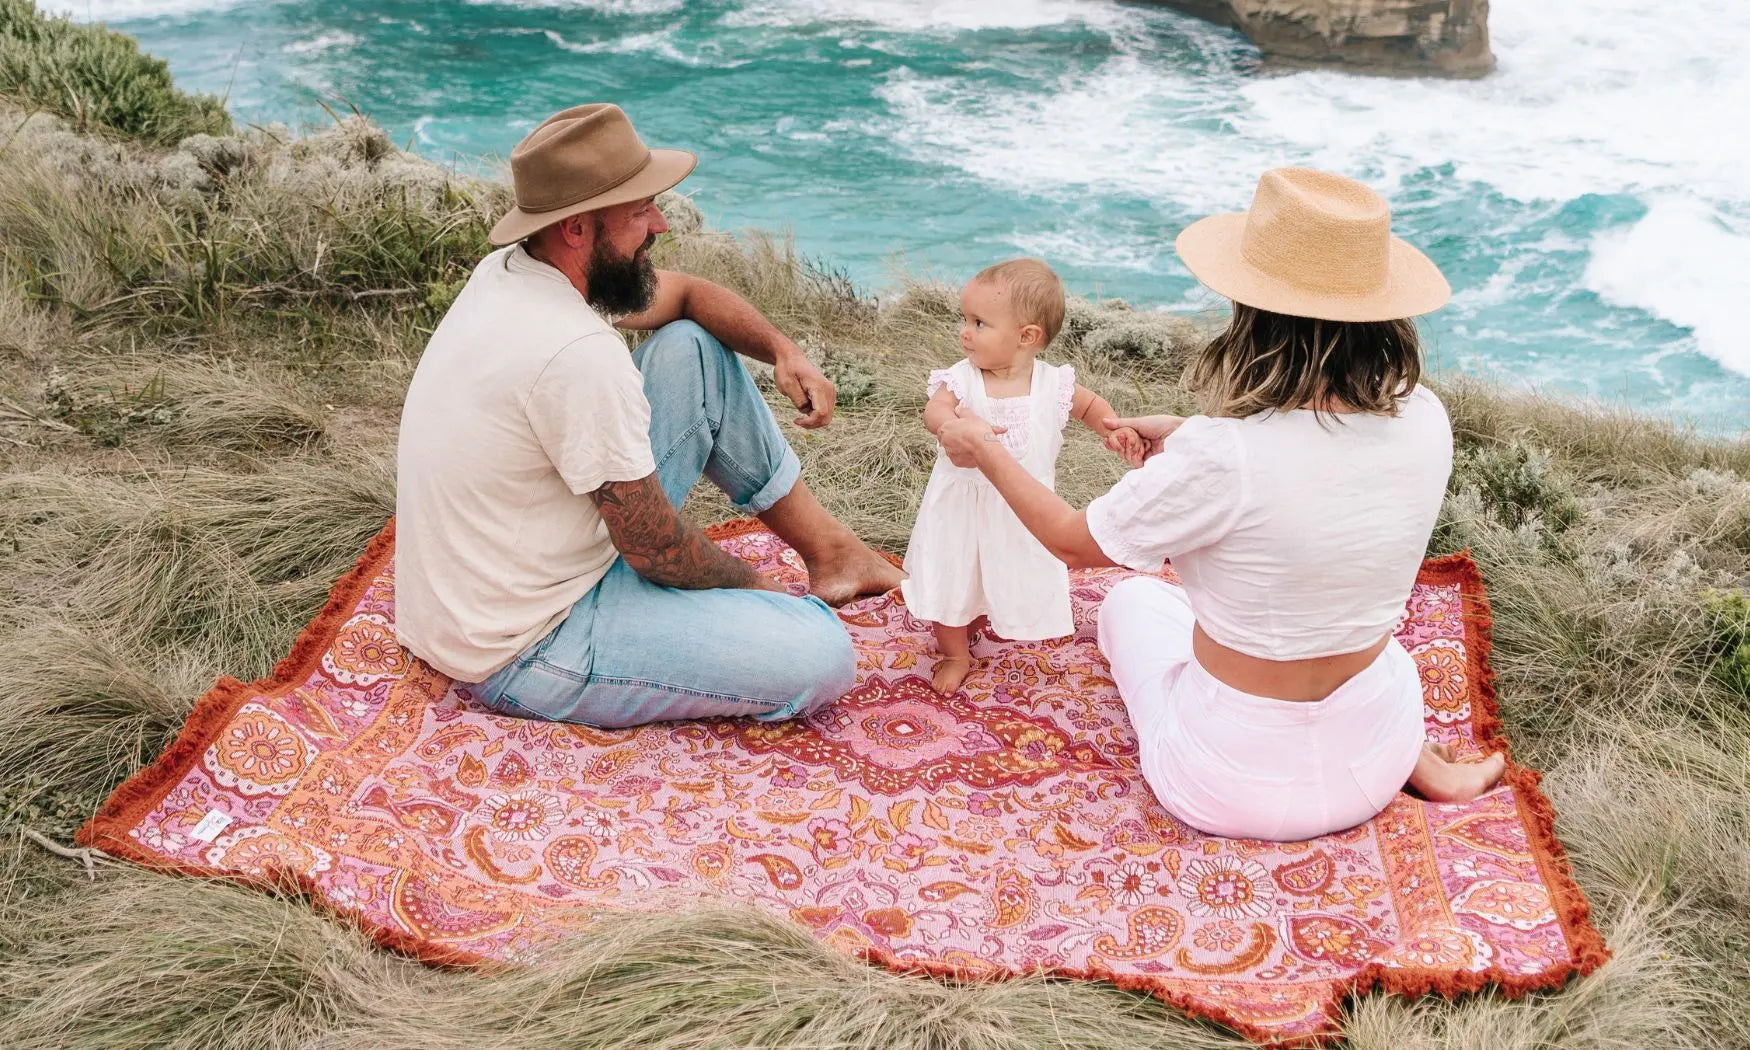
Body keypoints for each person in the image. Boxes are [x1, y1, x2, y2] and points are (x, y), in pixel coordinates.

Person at [935, 168, 1506, 841]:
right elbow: (1314, 474)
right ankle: (1421, 763)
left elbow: (1068, 540)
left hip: (1230, 786)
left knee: (1133, 602)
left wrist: (985, 447)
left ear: (1256, 316)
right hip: (1376, 757)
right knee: (1352, 622)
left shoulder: (1224, 456)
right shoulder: (1425, 415)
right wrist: (1186, 439)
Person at [395, 103, 901, 728]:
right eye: (639, 211)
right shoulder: (574, 352)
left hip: (513, 571)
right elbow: (657, 550)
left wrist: (782, 351)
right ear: (576, 228)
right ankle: (759, 616)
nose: (660, 222)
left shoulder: (514, 270)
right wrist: (755, 591)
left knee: (691, 346)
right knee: (821, 653)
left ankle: (834, 553)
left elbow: (687, 295)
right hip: (522, 643)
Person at [901, 259, 1142, 694]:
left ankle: (981, 619)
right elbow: (934, 409)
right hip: (961, 509)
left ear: (1027, 336)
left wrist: (1116, 427)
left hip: (1021, 510)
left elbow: (1089, 406)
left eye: (979, 323)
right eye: (964, 319)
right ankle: (955, 651)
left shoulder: (1053, 383)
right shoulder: (962, 378)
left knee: (1001, 572)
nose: (965, 332)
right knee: (955, 575)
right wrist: (948, 426)